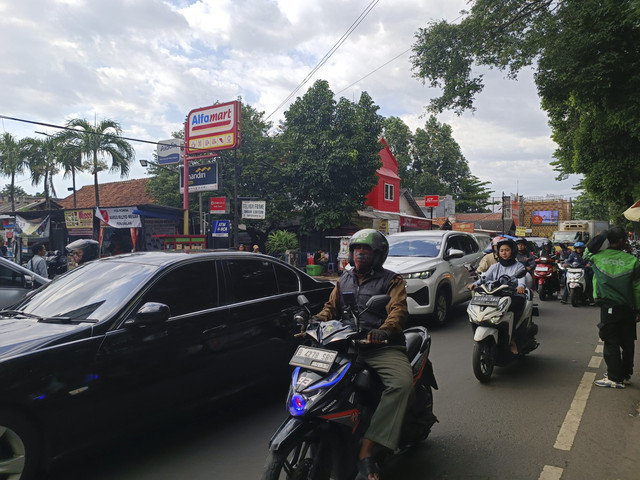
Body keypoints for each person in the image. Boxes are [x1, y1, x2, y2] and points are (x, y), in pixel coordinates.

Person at [312, 229, 413, 480]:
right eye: (357, 250)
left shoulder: (392, 280)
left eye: (366, 251)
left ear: (378, 255)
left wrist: (383, 331)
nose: (360, 255)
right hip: (346, 345)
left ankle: (366, 450)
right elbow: (330, 309)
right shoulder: (343, 279)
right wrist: (313, 321)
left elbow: (398, 311)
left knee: (401, 384)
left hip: (379, 346)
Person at [586, 227, 640, 389]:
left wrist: (603, 234)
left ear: (608, 240)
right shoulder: (633, 261)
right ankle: (625, 374)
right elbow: (638, 288)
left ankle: (614, 378)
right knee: (628, 342)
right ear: (624, 241)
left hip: (609, 308)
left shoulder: (596, 257)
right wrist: (638, 310)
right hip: (629, 308)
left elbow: (589, 248)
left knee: (611, 341)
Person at [468, 238, 529, 353]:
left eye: (507, 250)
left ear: (513, 251)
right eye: (501, 251)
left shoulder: (519, 267)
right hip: (495, 295)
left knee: (513, 312)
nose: (504, 253)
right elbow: (485, 278)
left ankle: (513, 338)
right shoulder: (495, 267)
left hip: (513, 295)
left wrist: (521, 287)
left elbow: (521, 279)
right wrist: (474, 284)